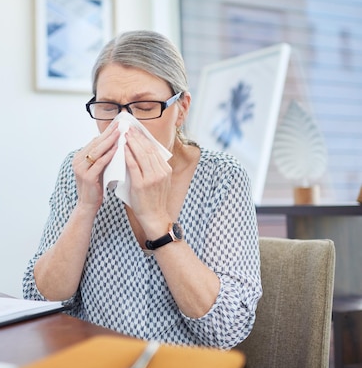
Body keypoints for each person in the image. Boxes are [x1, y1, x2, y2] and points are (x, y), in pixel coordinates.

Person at [22, 30, 262, 349]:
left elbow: (227, 328)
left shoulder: (222, 177)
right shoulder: (78, 169)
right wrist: (85, 207)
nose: (124, 125)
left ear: (181, 108)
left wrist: (155, 218)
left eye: (145, 106)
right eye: (108, 107)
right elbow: (42, 301)